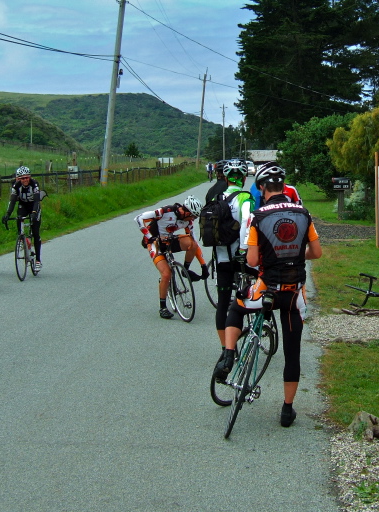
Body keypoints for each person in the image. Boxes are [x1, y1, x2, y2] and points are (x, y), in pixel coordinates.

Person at [213, 163, 322, 428]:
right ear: (284, 187)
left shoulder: (258, 216)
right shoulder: (303, 213)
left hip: (266, 289)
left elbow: (251, 259)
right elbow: (316, 253)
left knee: (236, 309)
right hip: (293, 292)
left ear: (262, 188)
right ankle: (287, 410)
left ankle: (229, 354)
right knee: (292, 352)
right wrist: (298, 256)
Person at [134, 195, 208, 319]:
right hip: (155, 243)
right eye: (193, 216)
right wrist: (149, 236)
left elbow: (195, 242)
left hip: (168, 240)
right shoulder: (164, 212)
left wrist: (203, 265)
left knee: (192, 243)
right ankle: (163, 307)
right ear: (186, 212)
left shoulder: (187, 221)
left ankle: (185, 270)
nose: (193, 219)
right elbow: (138, 218)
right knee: (166, 274)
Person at [209, 159, 255, 350]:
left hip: (221, 258)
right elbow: (247, 222)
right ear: (243, 178)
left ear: (226, 178)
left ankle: (226, 349)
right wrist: (245, 249)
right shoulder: (245, 197)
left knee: (222, 303)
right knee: (248, 298)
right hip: (241, 258)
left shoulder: (216, 199)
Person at [0, 166, 44, 272]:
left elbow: (37, 201)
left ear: (29, 177)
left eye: (26, 178)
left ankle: (38, 260)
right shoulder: (16, 186)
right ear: (18, 179)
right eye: (22, 178)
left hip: (34, 205)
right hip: (23, 205)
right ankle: (22, 239)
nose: (25, 180)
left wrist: (34, 213)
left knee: (36, 232)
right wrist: (7, 214)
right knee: (19, 218)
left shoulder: (34, 184)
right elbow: (12, 201)